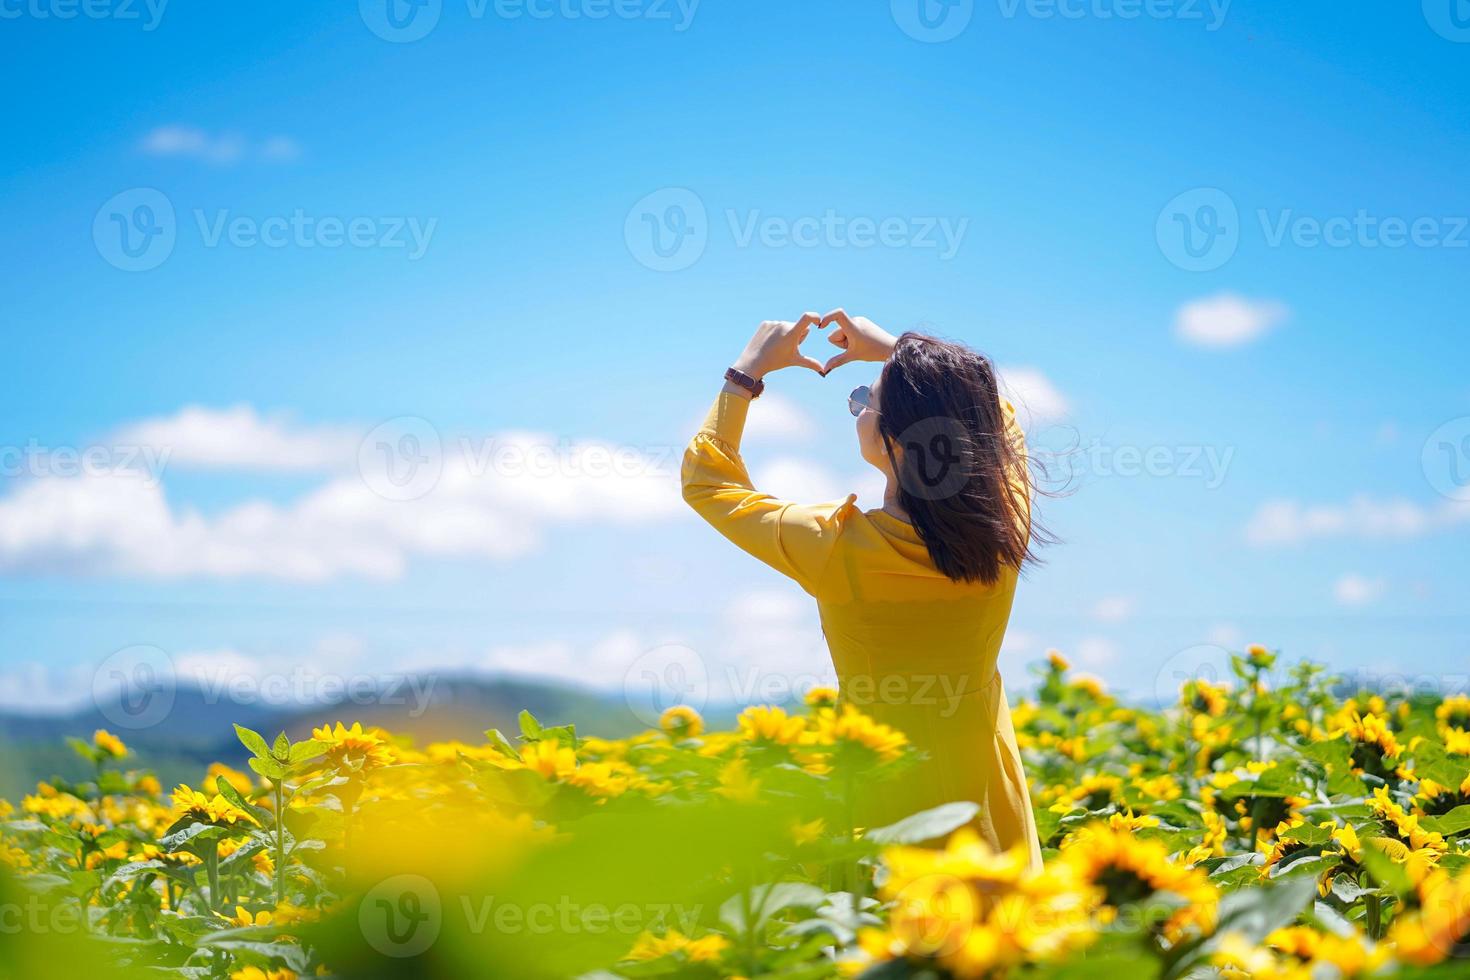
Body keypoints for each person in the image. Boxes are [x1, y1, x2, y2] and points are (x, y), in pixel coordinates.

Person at [681, 309, 1045, 868]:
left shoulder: (836, 549)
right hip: (992, 805)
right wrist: (901, 355)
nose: (857, 410)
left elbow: (709, 483)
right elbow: (994, 417)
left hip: (888, 804)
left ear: (894, 441)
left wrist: (746, 375)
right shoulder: (1004, 529)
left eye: (862, 401)